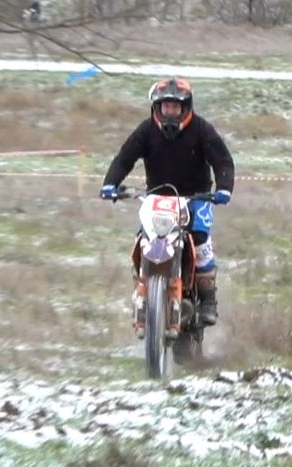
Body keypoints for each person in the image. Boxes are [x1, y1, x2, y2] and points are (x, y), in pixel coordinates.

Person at [100, 78, 234, 326]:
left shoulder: (202, 129)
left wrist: (224, 189)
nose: (170, 112)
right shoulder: (146, 130)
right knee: (145, 238)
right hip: (157, 198)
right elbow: (124, 158)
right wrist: (111, 183)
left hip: (196, 196)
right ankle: (143, 290)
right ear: (157, 108)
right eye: (165, 107)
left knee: (201, 241)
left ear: (186, 107)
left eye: (175, 107)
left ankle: (208, 300)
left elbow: (222, 161)